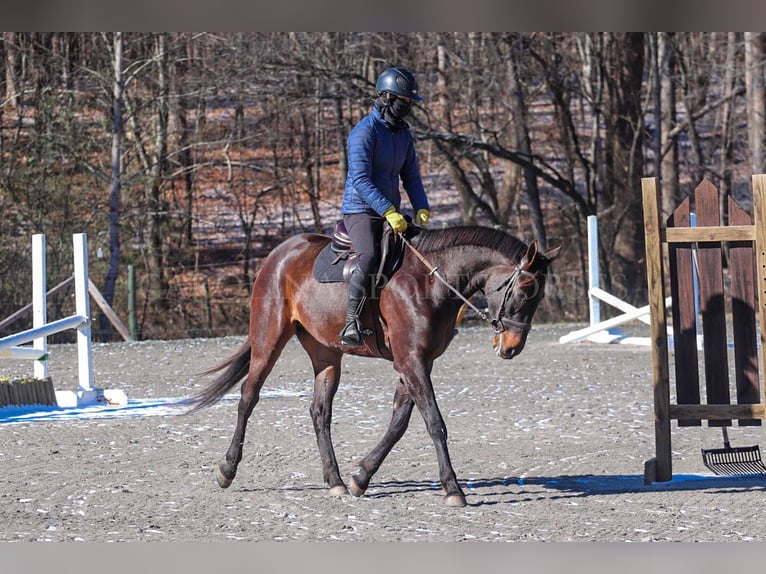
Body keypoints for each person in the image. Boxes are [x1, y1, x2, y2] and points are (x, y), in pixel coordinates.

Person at [338, 66, 431, 347]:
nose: (409, 107)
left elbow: (411, 176)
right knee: (368, 254)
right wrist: (388, 211)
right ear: (388, 98)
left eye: (411, 103)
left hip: (391, 212)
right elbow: (361, 179)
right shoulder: (363, 133)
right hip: (360, 209)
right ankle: (351, 322)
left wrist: (421, 207)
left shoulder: (403, 134)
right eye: (405, 102)